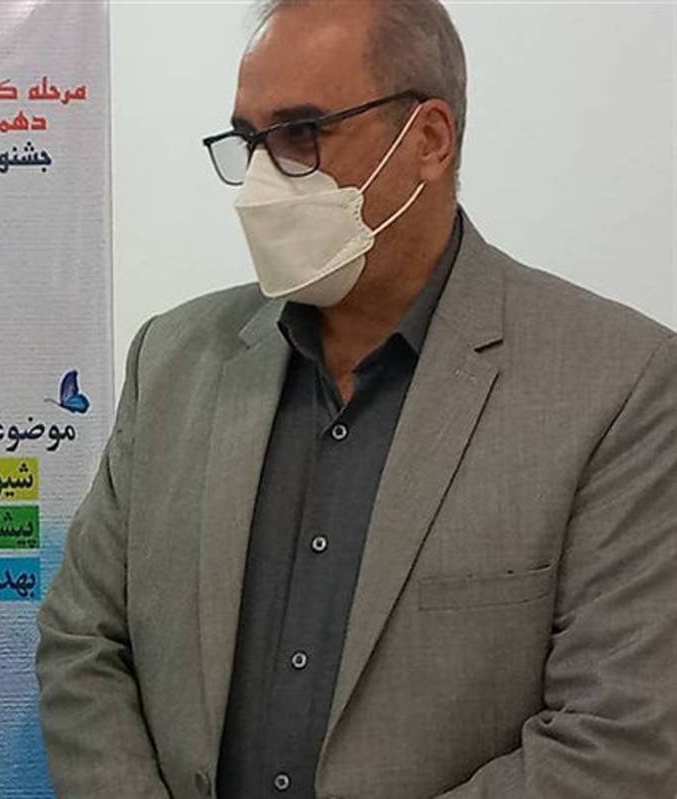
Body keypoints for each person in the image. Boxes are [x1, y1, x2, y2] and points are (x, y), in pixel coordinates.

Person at [36, 1, 677, 797]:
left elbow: (619, 737)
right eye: (250, 141)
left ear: (429, 140)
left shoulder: (617, 385)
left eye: (302, 134)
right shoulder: (171, 362)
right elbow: (83, 641)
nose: (261, 184)